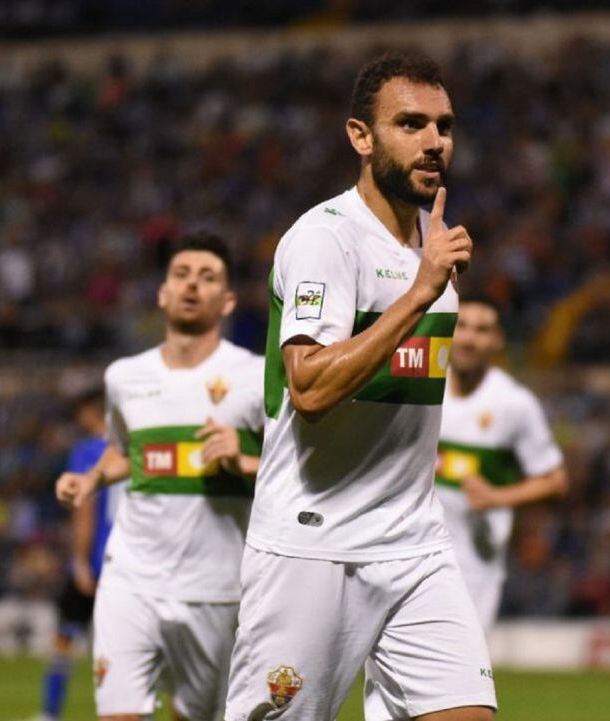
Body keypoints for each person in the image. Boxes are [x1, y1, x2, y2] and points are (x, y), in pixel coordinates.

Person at [224, 52, 495, 721]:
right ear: (361, 136)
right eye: (411, 123)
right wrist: (421, 291)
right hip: (312, 546)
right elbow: (310, 390)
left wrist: (426, 277)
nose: (435, 141)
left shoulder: (431, 245)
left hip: (414, 543)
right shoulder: (325, 240)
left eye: (445, 125)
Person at [55, 232, 264, 721]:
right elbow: (127, 451)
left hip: (217, 587)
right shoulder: (124, 377)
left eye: (208, 277)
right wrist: (91, 480)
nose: (193, 285)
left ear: (227, 300)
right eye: (182, 275)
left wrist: (244, 460)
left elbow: (293, 471)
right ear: (162, 293)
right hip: (131, 576)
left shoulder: (256, 377)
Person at [435, 296, 568, 632]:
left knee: (458, 678)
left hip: (473, 566)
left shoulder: (514, 404)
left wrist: (497, 498)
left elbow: (555, 481)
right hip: (408, 550)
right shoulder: (422, 386)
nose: (468, 338)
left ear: (497, 341)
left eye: (482, 330)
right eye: (461, 326)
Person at [33, 390, 122, 721]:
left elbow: (85, 507)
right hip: (134, 560)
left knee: (64, 638)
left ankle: (49, 713)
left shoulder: (89, 451)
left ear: (90, 412)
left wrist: (80, 561)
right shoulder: (134, 446)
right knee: (129, 647)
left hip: (99, 561)